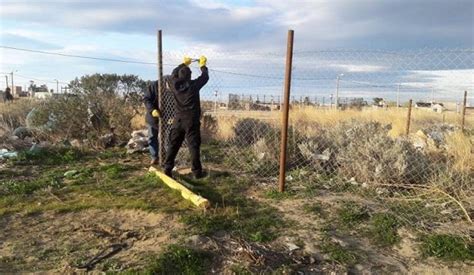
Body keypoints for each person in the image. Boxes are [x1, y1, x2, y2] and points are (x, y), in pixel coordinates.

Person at [163, 56, 209, 179]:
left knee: (173, 144)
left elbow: (173, 74)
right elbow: (205, 77)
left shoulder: (174, 84)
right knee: (193, 146)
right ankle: (197, 172)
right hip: (191, 120)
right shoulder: (194, 85)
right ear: (190, 75)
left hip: (178, 120)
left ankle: (167, 168)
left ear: (179, 75)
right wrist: (203, 66)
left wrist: (183, 63)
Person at [143, 80, 162, 165]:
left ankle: (165, 157)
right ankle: (155, 157)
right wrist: (152, 110)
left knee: (167, 138)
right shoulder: (153, 86)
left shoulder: (172, 86)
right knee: (152, 137)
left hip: (166, 117)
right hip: (153, 117)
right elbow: (147, 99)